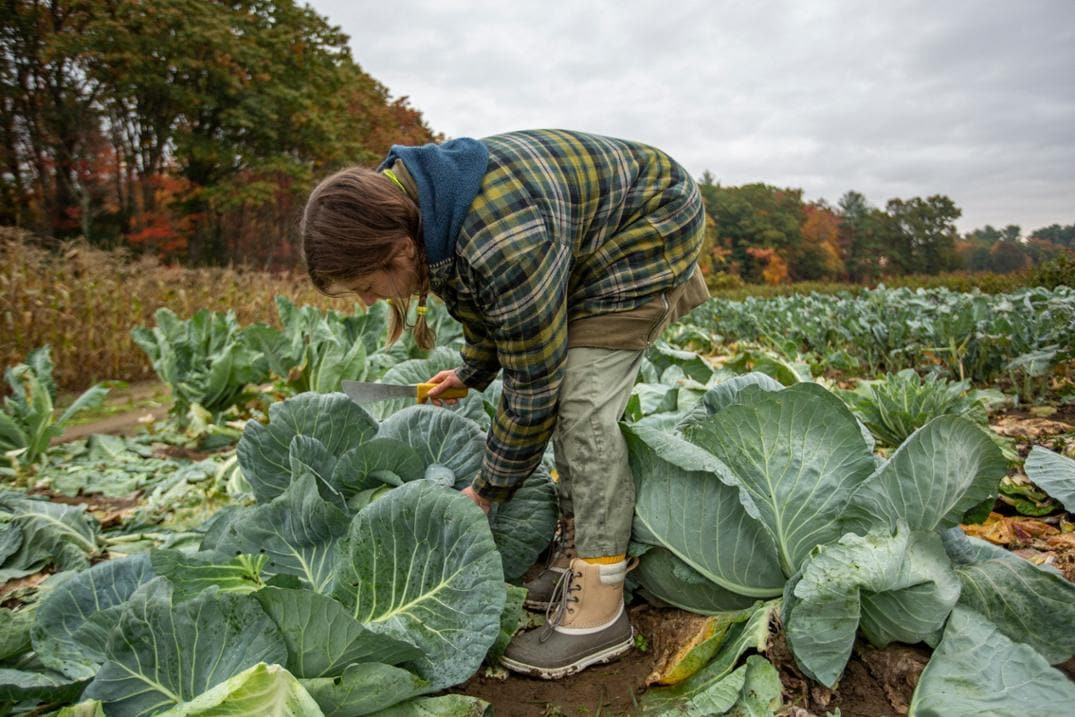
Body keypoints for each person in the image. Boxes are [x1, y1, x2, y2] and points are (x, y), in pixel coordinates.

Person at [300, 129, 709, 679]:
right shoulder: (410, 207)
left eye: (368, 286)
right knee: (564, 393)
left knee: (580, 409)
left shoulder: (501, 239)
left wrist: (486, 491)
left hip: (649, 224)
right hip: (580, 232)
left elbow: (534, 384)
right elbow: (485, 301)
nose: (372, 300)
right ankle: (576, 548)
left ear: (399, 251)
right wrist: (471, 372)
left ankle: (601, 601)